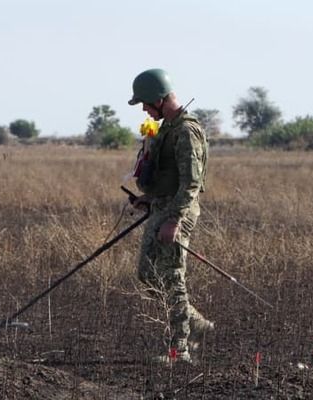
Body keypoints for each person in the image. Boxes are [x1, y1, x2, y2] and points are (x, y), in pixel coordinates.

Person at [127, 68, 213, 364]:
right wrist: (149, 198)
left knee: (172, 276)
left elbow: (190, 183)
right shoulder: (168, 129)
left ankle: (180, 351)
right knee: (147, 274)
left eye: (145, 103)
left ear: (159, 99)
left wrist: (174, 220)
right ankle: (197, 325)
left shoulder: (187, 131)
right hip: (163, 206)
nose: (143, 109)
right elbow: (169, 177)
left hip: (178, 211)